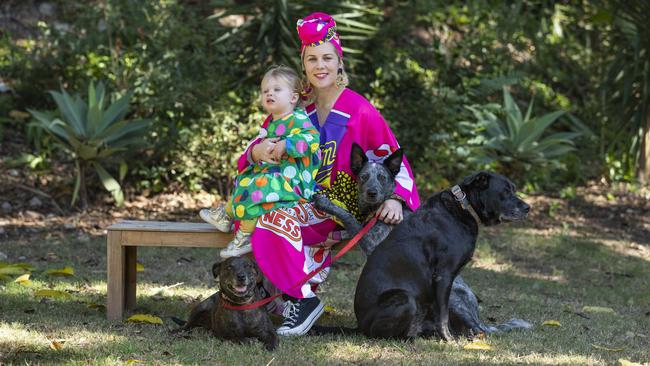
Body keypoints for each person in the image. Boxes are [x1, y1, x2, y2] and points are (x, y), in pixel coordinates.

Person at [239, 12, 420, 336]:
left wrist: (394, 198)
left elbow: (392, 158)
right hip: (302, 202)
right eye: (312, 59)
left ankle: (298, 299)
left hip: (344, 208)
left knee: (272, 222)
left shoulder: (359, 110)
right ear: (304, 65)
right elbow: (258, 142)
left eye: (327, 58)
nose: (320, 66)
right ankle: (297, 298)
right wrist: (256, 151)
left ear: (340, 63)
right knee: (266, 223)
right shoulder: (296, 105)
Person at [200, 65, 322, 258]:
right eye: (265, 91)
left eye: (276, 89)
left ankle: (245, 235)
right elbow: (251, 155)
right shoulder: (272, 122)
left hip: (294, 182)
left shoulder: (298, 119)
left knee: (259, 187)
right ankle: (227, 214)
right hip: (276, 177)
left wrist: (287, 144)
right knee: (247, 180)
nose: (269, 93)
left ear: (293, 97)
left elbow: (312, 140)